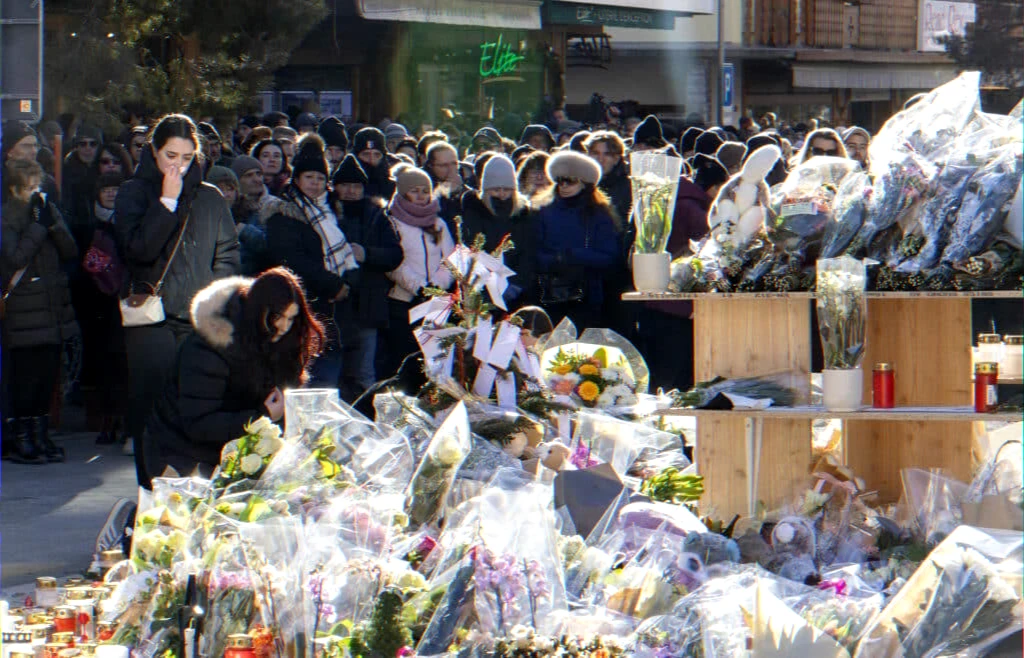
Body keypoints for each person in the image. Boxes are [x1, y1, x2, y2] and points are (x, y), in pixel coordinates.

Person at [115, 113, 240, 483]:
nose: (178, 165)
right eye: (171, 155)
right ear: (153, 151)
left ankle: (190, 494)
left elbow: (228, 255)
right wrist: (166, 203)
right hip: (151, 320)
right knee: (152, 412)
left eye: (186, 157)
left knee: (196, 408)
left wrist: (215, 308)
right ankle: (150, 494)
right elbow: (137, 250)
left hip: (198, 323)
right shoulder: (134, 192)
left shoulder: (209, 196)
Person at [147, 268, 324, 479]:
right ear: (258, 312)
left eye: (291, 318)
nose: (284, 326)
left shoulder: (278, 342)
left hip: (234, 455)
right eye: (277, 317)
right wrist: (263, 416)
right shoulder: (208, 347)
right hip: (181, 457)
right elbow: (199, 423)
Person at [265, 135, 361, 389]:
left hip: (337, 312)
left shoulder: (331, 211)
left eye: (320, 178)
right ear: (296, 179)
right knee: (311, 381)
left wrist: (348, 280)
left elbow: (347, 251)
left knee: (334, 379)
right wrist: (331, 284)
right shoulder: (284, 213)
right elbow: (290, 259)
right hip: (304, 305)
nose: (315, 184)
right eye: (309, 177)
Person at [1, 160, 79, 464]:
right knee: (26, 378)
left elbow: (70, 249)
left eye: (39, 187)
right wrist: (37, 226)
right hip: (24, 309)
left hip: (50, 307)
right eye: (30, 188)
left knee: (47, 377)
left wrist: (53, 223)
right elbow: (14, 258)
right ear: (15, 190)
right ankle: (23, 437)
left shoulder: (46, 212)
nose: (37, 194)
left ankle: (41, 433)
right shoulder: (7, 218)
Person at [331, 154, 403, 393]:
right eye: (345, 185)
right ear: (335, 187)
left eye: (356, 186)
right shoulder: (326, 215)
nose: (351, 191)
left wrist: (367, 254)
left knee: (365, 375)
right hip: (334, 306)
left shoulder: (376, 216)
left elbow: (395, 254)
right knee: (333, 375)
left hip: (368, 308)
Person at [68, 173, 129, 447]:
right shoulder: (86, 225)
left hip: (124, 303)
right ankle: (106, 421)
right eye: (106, 189)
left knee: (123, 364)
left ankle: (122, 420)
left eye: (116, 189)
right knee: (103, 365)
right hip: (95, 306)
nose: (111, 194)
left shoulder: (130, 222)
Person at [533, 151, 622, 329]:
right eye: (560, 181)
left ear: (585, 184)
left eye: (570, 181)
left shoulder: (600, 214)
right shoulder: (543, 210)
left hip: (589, 296)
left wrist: (573, 255)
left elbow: (610, 256)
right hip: (551, 294)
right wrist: (556, 259)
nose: (564, 186)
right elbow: (534, 251)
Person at [384, 164, 455, 375]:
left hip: (435, 303)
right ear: (403, 192)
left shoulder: (438, 223)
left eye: (425, 191)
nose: (421, 196)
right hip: (403, 301)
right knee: (403, 359)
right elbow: (394, 263)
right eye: (414, 191)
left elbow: (450, 260)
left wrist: (436, 287)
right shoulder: (392, 222)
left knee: (434, 361)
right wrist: (419, 288)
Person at [460, 155, 536, 309]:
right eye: (496, 190)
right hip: (482, 288)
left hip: (516, 291)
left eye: (507, 190)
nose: (502, 195)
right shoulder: (474, 210)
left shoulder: (523, 214)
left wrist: (516, 284)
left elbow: (528, 253)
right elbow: (473, 248)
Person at [209, 166, 271, 276]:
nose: (226, 194)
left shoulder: (250, 213)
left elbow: (267, 246)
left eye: (230, 189)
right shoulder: (202, 217)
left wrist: (244, 230)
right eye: (220, 189)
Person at [2, 121, 60, 203]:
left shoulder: (46, 182)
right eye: (26, 146)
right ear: (9, 151)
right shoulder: (3, 182)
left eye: (35, 146)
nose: (34, 151)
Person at [585, 131, 632, 224]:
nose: (601, 159)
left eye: (607, 154)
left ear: (616, 159)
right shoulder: (579, 182)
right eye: (595, 153)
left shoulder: (628, 187)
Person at [423, 141, 467, 233]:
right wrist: (443, 193)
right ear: (430, 166)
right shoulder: (420, 186)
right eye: (444, 165)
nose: (451, 170)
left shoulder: (467, 192)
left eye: (454, 164)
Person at [62, 125, 104, 220]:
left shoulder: (105, 169)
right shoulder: (66, 172)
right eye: (82, 144)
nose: (87, 148)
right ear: (77, 147)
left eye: (93, 144)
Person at [352, 127, 397, 202]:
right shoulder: (347, 185)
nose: (371, 160)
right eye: (366, 154)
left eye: (377, 155)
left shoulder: (394, 185)